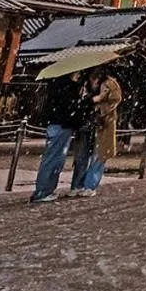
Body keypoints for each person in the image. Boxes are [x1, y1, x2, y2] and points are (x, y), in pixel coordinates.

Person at [30, 72, 88, 203]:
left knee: (53, 159)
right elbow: (70, 108)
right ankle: (43, 191)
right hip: (62, 125)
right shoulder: (67, 87)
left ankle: (45, 189)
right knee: (54, 160)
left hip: (57, 124)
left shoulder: (57, 85)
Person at [78, 67, 122, 195]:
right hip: (89, 122)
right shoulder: (85, 82)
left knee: (99, 155)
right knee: (84, 154)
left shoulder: (109, 83)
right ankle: (80, 184)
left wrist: (100, 107)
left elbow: (115, 99)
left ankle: (90, 185)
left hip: (103, 122)